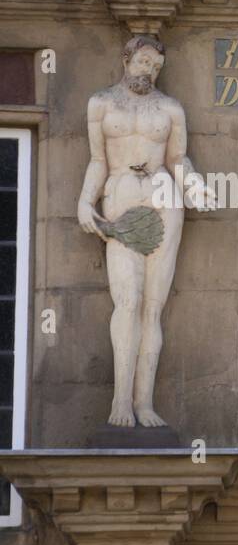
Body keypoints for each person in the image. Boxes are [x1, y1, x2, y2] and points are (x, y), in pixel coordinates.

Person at [77, 34, 211, 427]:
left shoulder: (170, 108)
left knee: (153, 307)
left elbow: (178, 158)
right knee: (128, 301)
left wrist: (194, 186)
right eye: (144, 62)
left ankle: (145, 403)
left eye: (155, 66)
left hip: (163, 198)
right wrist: (86, 201)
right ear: (127, 58)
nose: (148, 70)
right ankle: (120, 401)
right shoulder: (101, 103)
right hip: (119, 196)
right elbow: (97, 160)